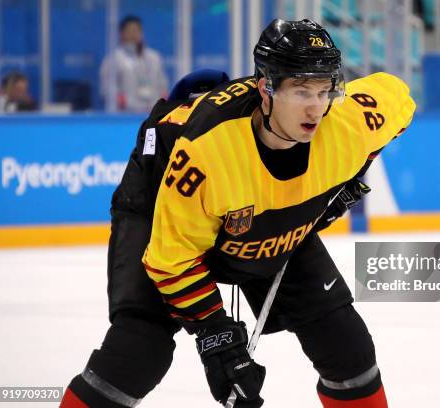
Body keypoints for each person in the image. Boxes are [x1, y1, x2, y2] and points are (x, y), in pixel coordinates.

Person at [61, 19, 415, 408]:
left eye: (323, 89)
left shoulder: (344, 126)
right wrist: (216, 336)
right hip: (162, 201)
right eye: (300, 90)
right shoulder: (206, 152)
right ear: (266, 89)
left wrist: (352, 174)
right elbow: (170, 259)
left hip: (259, 208)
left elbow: (397, 97)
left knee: (349, 351)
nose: (316, 107)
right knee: (137, 354)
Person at [100, 15, 169, 112]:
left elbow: (163, 85)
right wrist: (121, 102)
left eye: (136, 31)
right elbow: (107, 89)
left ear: (141, 33)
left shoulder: (154, 57)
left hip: (152, 113)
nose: (133, 34)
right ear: (121, 33)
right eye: (129, 31)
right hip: (125, 115)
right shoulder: (113, 59)